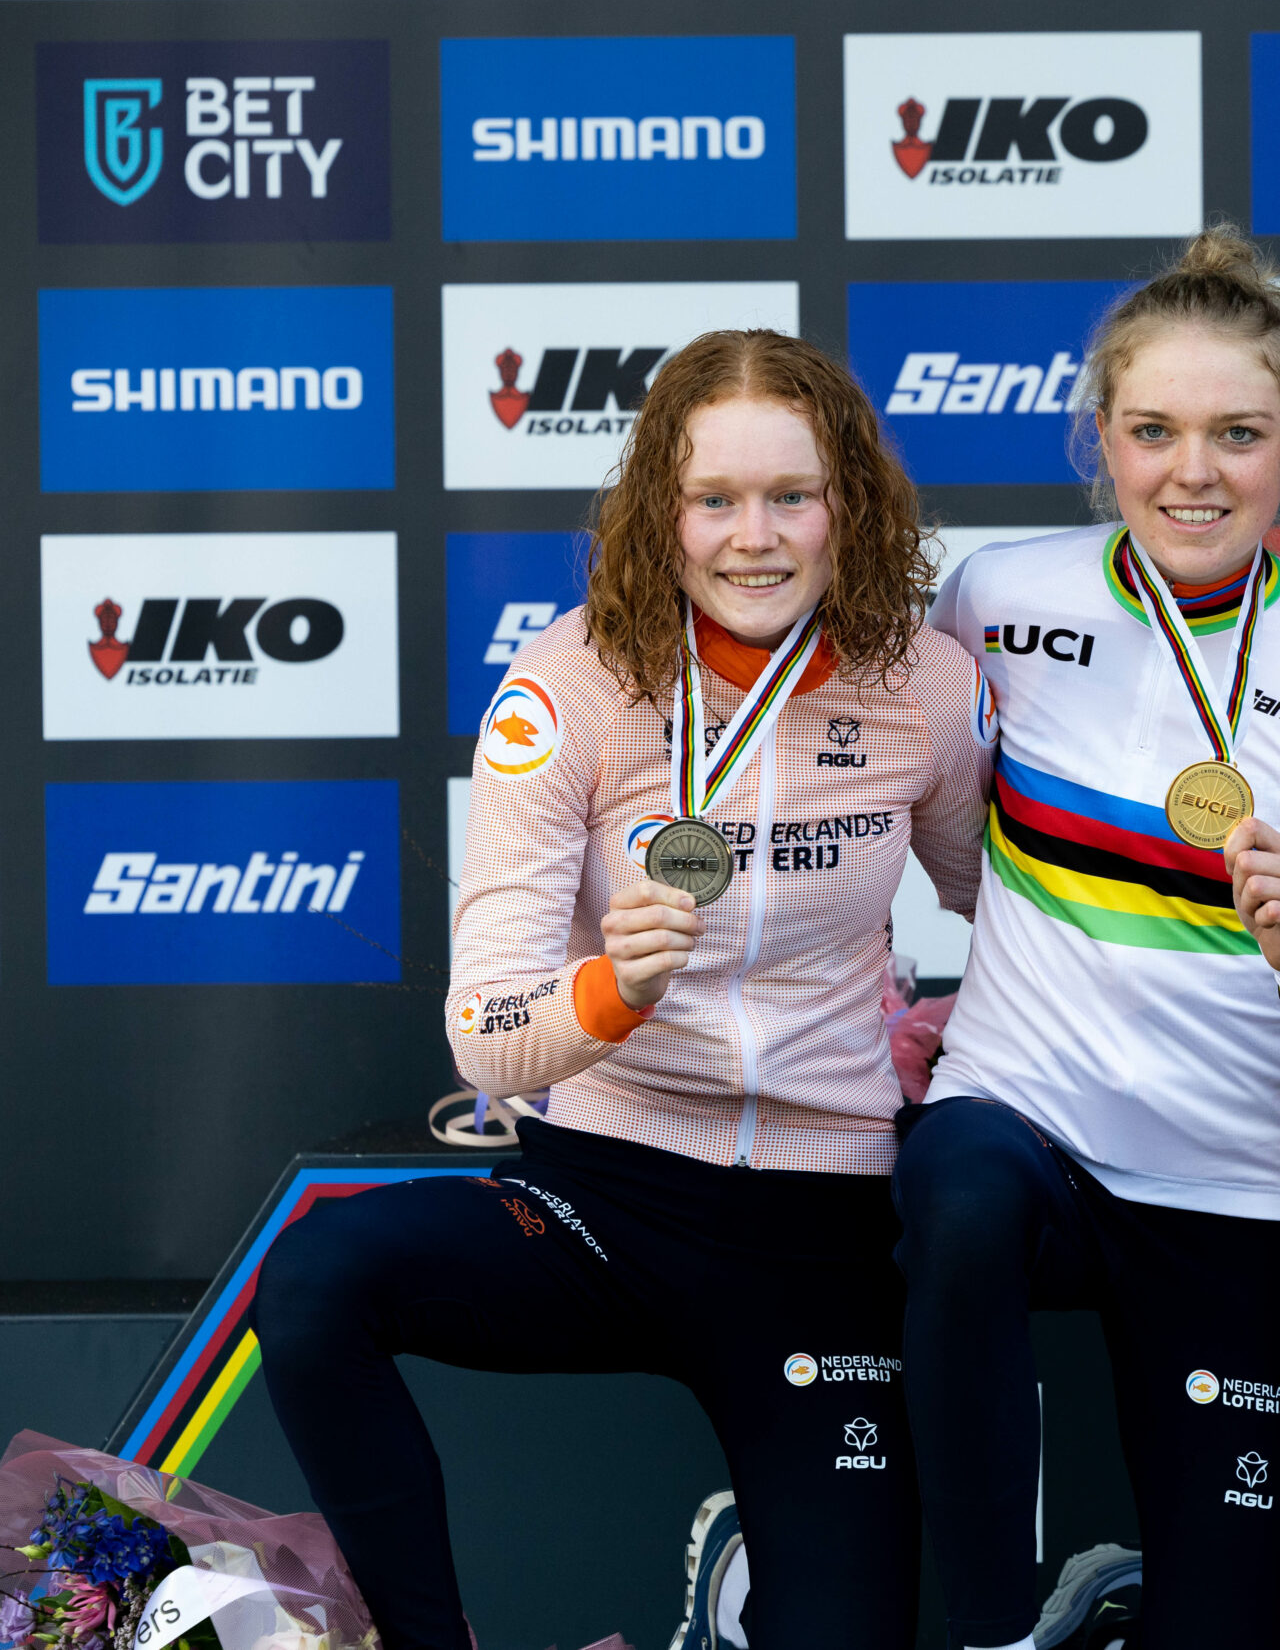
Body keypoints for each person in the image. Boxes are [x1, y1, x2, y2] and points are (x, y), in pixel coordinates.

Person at [254, 330, 991, 1650]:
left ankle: (753, 1595)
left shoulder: (925, 686)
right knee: (316, 1281)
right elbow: (484, 1036)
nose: (754, 538)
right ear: (662, 509)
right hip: (604, 1203)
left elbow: (1019, 909)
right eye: (715, 499)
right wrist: (608, 991)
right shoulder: (575, 681)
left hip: (821, 1231)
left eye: (793, 495)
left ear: (851, 503)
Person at [893, 226, 1280, 1650]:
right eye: (1154, 431)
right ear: (1101, 437)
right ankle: (995, 1631)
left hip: (1221, 1194)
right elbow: (927, 829)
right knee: (956, 1197)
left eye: (1237, 434)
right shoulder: (998, 598)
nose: (1192, 472)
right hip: (1018, 1123)